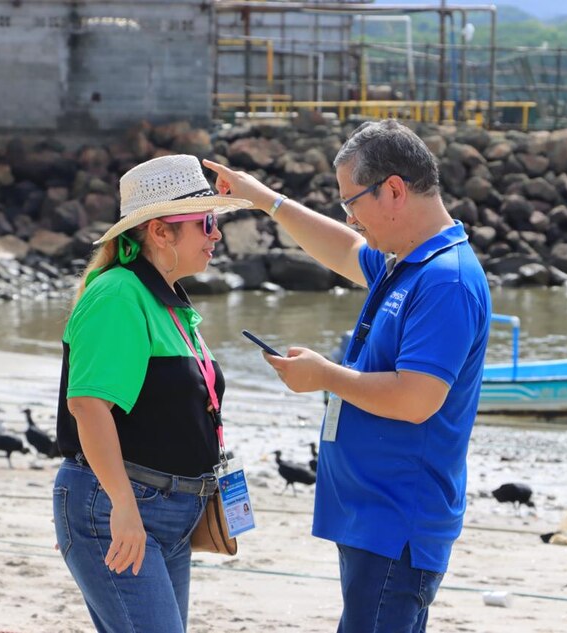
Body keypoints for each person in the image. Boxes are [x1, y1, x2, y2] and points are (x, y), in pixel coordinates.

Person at [205, 119, 491, 632]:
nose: (352, 218)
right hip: (372, 513)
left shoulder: (445, 278)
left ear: (395, 190)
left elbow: (417, 399)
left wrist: (325, 376)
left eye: (351, 202)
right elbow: (340, 250)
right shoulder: (407, 261)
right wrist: (263, 199)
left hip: (398, 517)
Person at [52, 154, 252, 632]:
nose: (216, 234)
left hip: (166, 511)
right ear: (161, 232)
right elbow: (87, 405)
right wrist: (122, 504)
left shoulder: (166, 299)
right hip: (118, 504)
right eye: (205, 223)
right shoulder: (120, 293)